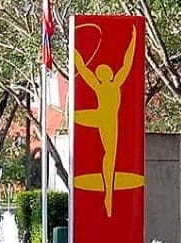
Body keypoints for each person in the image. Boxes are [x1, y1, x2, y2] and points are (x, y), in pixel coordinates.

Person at [73, 25, 137, 217]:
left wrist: (133, 40)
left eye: (106, 69)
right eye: (103, 70)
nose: (107, 71)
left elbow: (127, 63)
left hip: (107, 121)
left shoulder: (115, 83)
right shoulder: (101, 85)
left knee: (110, 155)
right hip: (101, 117)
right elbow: (83, 70)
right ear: (102, 75)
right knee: (75, 117)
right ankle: (108, 192)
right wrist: (74, 52)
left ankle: (108, 193)